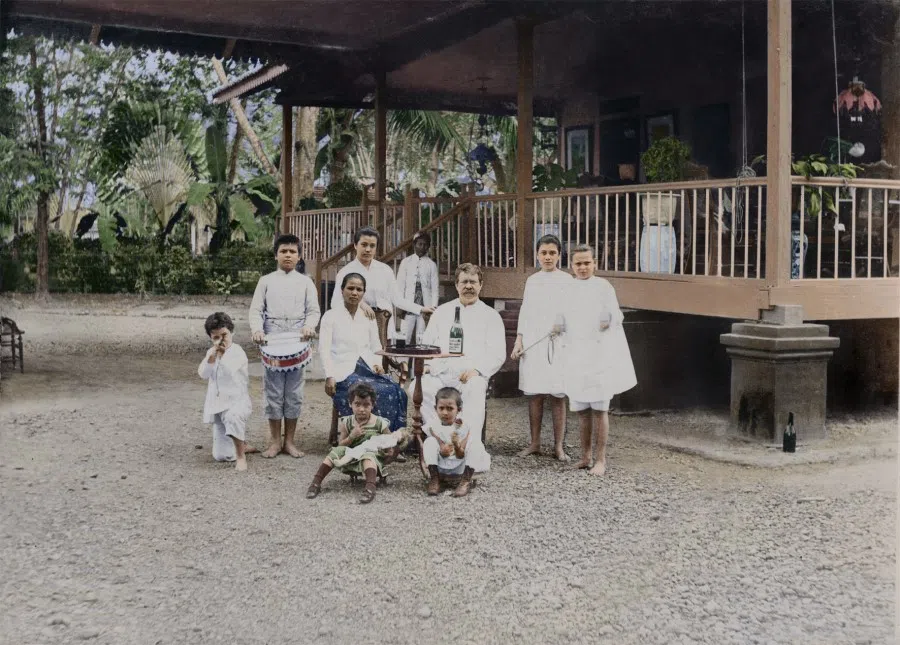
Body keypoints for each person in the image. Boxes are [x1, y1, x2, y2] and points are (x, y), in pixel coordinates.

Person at [553, 244, 637, 476]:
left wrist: (608, 318)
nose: (583, 267)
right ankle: (585, 456)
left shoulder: (603, 286)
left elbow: (616, 314)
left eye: (587, 263)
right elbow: (560, 314)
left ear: (595, 264)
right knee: (581, 409)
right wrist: (557, 325)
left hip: (599, 355)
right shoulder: (567, 288)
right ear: (571, 266)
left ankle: (600, 460)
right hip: (576, 354)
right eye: (578, 263)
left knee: (600, 409)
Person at [412, 263, 506, 438]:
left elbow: (497, 354)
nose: (468, 286)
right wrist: (426, 365)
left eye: (473, 282)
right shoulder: (441, 312)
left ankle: (467, 442)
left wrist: (477, 371)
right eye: (464, 282)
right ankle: (440, 437)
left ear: (481, 284)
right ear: (456, 285)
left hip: (469, 374)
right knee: (418, 387)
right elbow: (426, 345)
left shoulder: (491, 315)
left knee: (475, 387)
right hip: (441, 371)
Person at [249, 233, 320, 459]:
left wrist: (309, 327)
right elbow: (256, 310)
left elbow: (314, 311)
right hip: (273, 341)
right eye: (283, 251)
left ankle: (289, 441)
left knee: (294, 393)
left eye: (292, 251)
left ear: (299, 256)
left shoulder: (306, 282)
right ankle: (274, 441)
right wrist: (257, 330)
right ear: (276, 255)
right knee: (274, 392)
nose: (288, 255)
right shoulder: (266, 281)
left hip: (297, 341)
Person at [319, 272, 409, 434]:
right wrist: (329, 376)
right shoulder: (330, 316)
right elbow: (324, 349)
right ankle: (365, 437)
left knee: (397, 391)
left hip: (367, 368)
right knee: (369, 391)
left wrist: (377, 364)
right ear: (342, 290)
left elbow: (375, 346)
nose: (354, 293)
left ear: (363, 293)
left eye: (359, 289)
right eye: (350, 288)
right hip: (343, 371)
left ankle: (393, 438)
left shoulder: (368, 316)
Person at [510, 234, 573, 461]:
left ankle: (558, 446)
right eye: (544, 253)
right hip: (534, 342)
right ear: (537, 255)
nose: (548, 257)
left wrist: (563, 324)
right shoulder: (532, 281)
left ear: (559, 255)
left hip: (558, 342)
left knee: (557, 395)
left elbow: (573, 312)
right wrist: (519, 340)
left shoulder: (567, 280)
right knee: (535, 394)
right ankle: (535, 442)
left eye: (552, 253)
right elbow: (525, 313)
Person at [305, 382, 405, 504]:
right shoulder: (347, 422)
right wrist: (352, 436)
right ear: (350, 404)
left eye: (366, 405)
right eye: (357, 404)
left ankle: (370, 487)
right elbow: (341, 444)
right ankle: (316, 482)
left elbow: (389, 440)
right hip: (350, 456)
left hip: (371, 455)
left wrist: (390, 451)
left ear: (372, 405)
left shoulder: (379, 423)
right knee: (335, 451)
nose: (361, 409)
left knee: (368, 456)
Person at [331, 226, 433, 339]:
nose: (368, 249)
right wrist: (360, 304)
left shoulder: (385, 270)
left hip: (385, 329)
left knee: (385, 355)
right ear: (355, 245)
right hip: (357, 329)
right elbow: (335, 303)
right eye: (364, 245)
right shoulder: (345, 272)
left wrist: (421, 309)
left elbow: (397, 299)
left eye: (372, 246)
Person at [197, 312, 253, 472]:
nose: (221, 340)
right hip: (218, 405)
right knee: (221, 456)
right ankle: (242, 444)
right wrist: (211, 358)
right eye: (216, 337)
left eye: (224, 335)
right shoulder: (211, 352)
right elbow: (203, 374)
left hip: (237, 403)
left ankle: (241, 457)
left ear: (231, 332)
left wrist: (222, 356)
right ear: (211, 338)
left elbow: (229, 371)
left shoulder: (238, 352)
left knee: (232, 417)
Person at [423, 387, 491, 497]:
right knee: (429, 441)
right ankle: (434, 478)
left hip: (461, 465)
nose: (445, 412)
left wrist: (457, 445)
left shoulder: (463, 427)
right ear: (435, 408)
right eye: (441, 408)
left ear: (458, 410)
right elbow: (438, 445)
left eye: (450, 408)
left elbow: (460, 455)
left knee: (476, 444)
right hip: (442, 464)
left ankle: (465, 481)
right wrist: (442, 450)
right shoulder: (433, 425)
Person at [395, 231, 439, 346]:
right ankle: (402, 363)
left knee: (422, 338)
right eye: (420, 244)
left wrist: (433, 307)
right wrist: (400, 307)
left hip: (425, 307)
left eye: (425, 245)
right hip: (408, 306)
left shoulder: (431, 265)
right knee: (404, 338)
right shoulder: (406, 262)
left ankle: (420, 364)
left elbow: (435, 289)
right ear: (414, 245)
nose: (422, 247)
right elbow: (400, 286)